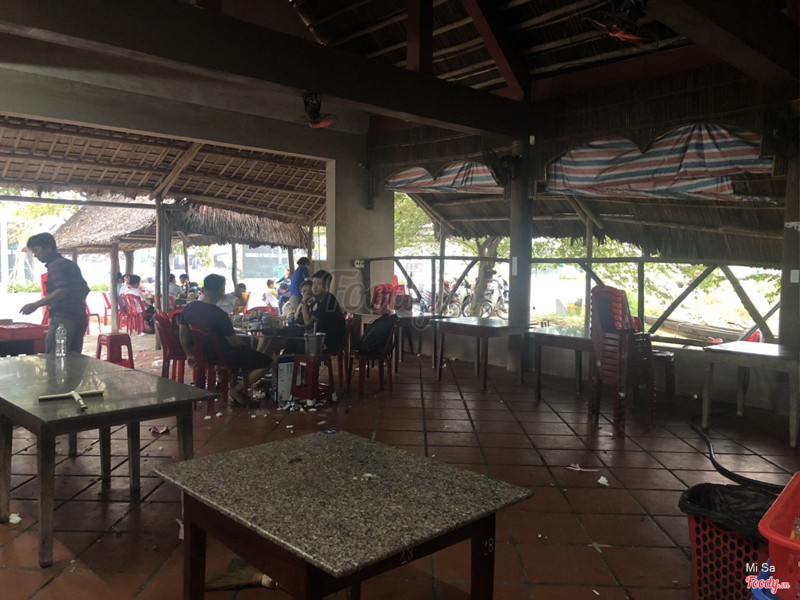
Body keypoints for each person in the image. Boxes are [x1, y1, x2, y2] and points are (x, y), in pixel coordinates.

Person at [179, 275, 272, 405]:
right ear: (222, 291)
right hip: (222, 356)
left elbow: (182, 333)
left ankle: (235, 388)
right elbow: (234, 342)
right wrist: (246, 344)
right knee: (267, 362)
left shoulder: (190, 307)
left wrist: (189, 353)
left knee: (245, 352)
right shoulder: (220, 315)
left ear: (204, 289)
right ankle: (236, 390)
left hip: (201, 355)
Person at [20, 232, 90, 354]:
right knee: (74, 359)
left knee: (55, 357)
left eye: (36, 250)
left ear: (48, 248)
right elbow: (85, 289)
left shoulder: (56, 266)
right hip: (79, 317)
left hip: (63, 318)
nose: (35, 255)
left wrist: (36, 304)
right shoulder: (68, 264)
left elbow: (62, 290)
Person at [296, 269, 345, 352]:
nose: (314, 287)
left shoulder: (328, 301)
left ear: (327, 287)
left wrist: (304, 301)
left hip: (329, 343)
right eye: (313, 284)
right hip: (323, 339)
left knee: (297, 344)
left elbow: (308, 323)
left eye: (319, 284)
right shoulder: (322, 300)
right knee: (294, 340)